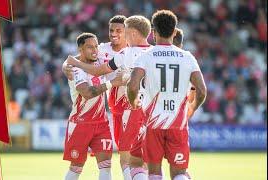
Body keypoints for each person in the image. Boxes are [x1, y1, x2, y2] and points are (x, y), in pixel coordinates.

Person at [66, 15, 152, 180]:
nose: (114, 33)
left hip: (132, 108)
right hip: (120, 111)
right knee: (130, 156)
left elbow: (95, 70)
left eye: (120, 30)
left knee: (130, 156)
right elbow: (79, 58)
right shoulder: (101, 49)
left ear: (130, 33)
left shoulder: (126, 52)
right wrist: (67, 65)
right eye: (111, 30)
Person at [127, 10, 207, 180]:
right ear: (174, 31)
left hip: (153, 124)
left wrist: (134, 102)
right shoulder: (187, 57)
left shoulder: (145, 56)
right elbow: (201, 90)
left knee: (154, 173)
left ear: (153, 32)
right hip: (177, 124)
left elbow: (132, 85)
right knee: (179, 174)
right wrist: (192, 108)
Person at [63, 32, 124, 180]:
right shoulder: (76, 70)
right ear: (80, 49)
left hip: (101, 124)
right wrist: (112, 83)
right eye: (90, 47)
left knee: (106, 166)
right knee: (76, 168)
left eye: (96, 46)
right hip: (80, 124)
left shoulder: (99, 63)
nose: (95, 50)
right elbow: (87, 93)